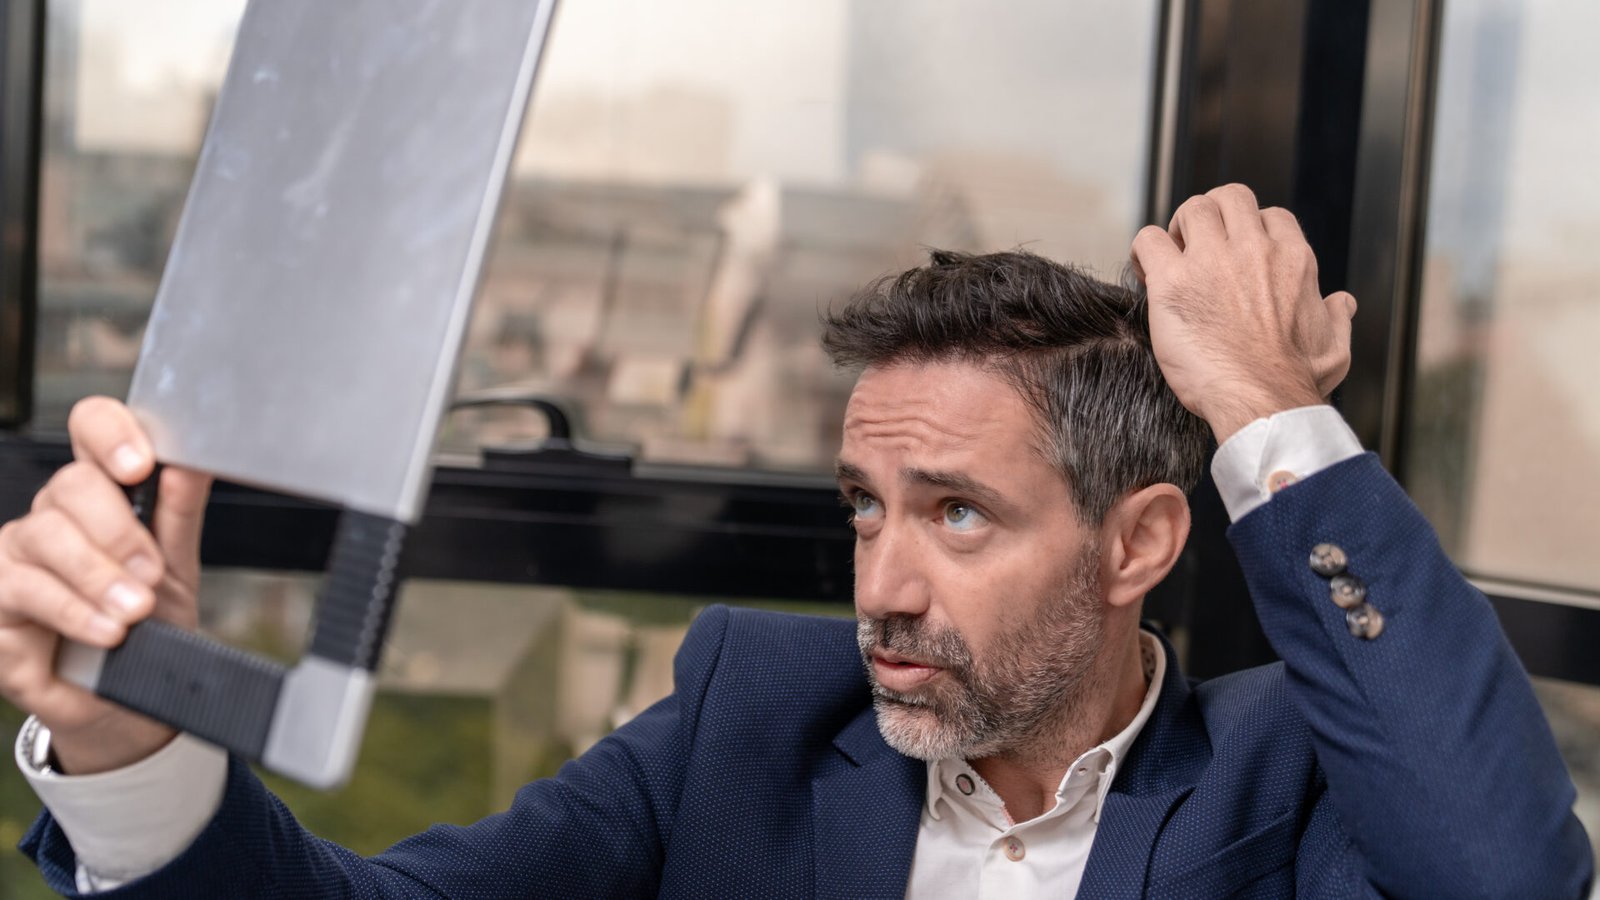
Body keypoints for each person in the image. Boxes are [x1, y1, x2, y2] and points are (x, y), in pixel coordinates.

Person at [1, 185, 1591, 898]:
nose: (883, 589)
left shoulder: (1292, 777)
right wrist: (147, 746)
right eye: (865, 509)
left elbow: (1506, 881)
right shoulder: (749, 721)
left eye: (958, 514)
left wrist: (1260, 408)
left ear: (1138, 542)